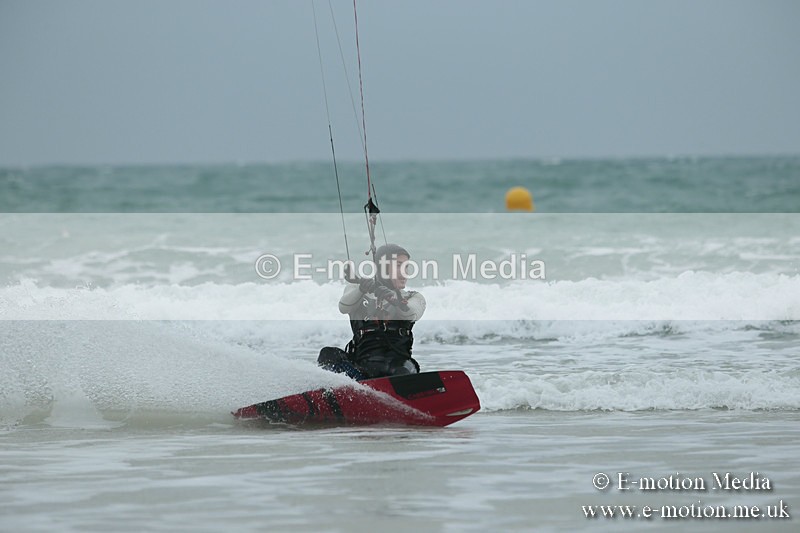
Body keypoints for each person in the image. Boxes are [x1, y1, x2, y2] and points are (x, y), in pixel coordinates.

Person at [318, 243, 426, 380]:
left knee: (403, 370)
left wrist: (392, 297)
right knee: (328, 354)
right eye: (398, 266)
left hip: (397, 368)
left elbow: (410, 313)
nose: (404, 272)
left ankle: (396, 395)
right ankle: (350, 392)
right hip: (360, 370)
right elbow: (343, 307)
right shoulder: (357, 290)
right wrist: (363, 288)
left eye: (406, 267)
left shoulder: (413, 297)